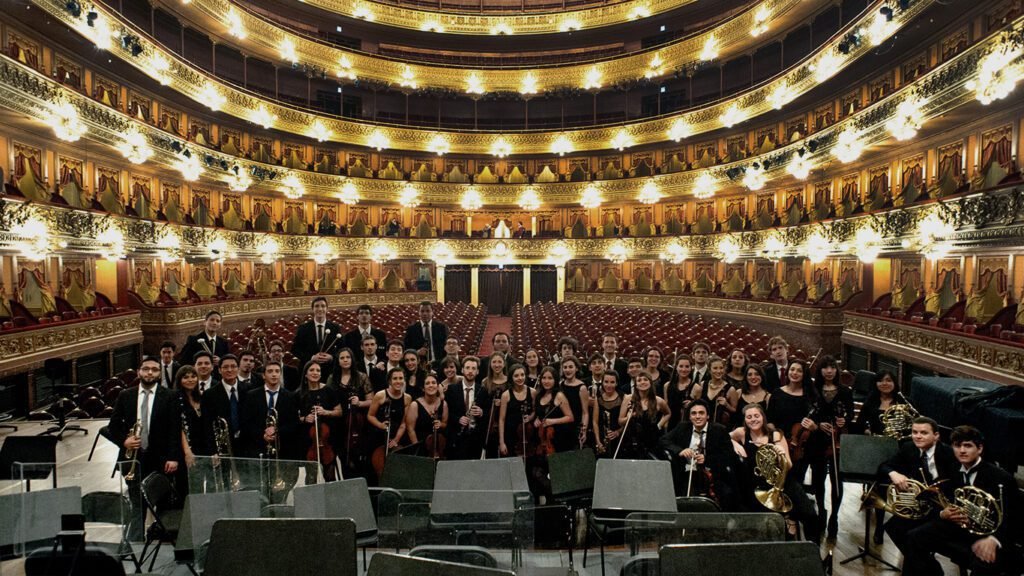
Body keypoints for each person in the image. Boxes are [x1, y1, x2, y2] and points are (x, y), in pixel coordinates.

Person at [903, 426, 1019, 575]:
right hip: (957, 527)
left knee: (984, 563)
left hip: (988, 535)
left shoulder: (1001, 478)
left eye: (968, 446)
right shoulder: (952, 469)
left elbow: (1014, 517)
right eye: (957, 446)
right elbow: (941, 499)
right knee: (914, 537)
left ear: (980, 448)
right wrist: (943, 514)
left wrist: (994, 539)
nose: (962, 450)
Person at [731, 403, 820, 542]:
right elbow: (725, 436)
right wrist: (735, 444)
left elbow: (789, 465)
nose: (753, 419)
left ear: (763, 418)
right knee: (770, 521)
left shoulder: (775, 434)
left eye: (756, 416)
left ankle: (813, 553)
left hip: (784, 481)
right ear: (745, 420)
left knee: (810, 515)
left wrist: (781, 454)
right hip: (760, 485)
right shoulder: (741, 432)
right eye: (749, 417)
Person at [879, 417, 958, 553]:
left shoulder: (949, 453)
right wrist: (894, 474)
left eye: (923, 433)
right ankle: (921, 565)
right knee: (893, 527)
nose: (918, 436)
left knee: (913, 537)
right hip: (920, 505)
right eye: (914, 432)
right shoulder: (909, 447)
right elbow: (884, 466)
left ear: (936, 436)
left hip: (942, 508)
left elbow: (955, 484)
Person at [108, 356, 181, 504]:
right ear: (138, 372)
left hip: (160, 458)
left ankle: (157, 527)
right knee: (136, 505)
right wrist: (124, 440)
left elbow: (174, 429)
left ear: (159, 374)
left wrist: (173, 457)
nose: (149, 373)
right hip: (134, 458)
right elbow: (113, 426)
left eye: (154, 370)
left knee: (162, 503)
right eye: (146, 369)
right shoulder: (125, 395)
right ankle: (137, 528)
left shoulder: (170, 396)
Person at [241, 361, 300, 502]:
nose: (274, 374)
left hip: (282, 452)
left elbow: (294, 424)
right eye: (270, 371)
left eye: (277, 371)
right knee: (260, 492)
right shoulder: (251, 396)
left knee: (280, 493)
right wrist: (263, 434)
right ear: (263, 375)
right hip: (258, 450)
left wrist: (277, 431)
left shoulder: (290, 396)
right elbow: (246, 423)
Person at [661, 399, 736, 506]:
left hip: (712, 474)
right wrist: (680, 450)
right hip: (686, 472)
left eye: (701, 413)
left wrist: (706, 459)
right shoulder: (682, 427)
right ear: (690, 417)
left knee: (726, 495)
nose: (697, 416)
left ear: (708, 416)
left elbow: (728, 454)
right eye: (694, 413)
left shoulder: (719, 430)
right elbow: (664, 440)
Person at [810, 355, 852, 538]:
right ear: (820, 370)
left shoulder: (845, 391)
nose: (829, 371)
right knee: (818, 479)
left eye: (832, 367)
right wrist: (818, 424)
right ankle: (821, 511)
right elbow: (810, 412)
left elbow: (850, 413)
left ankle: (834, 516)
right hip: (817, 439)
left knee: (837, 480)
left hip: (837, 441)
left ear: (837, 370)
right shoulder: (814, 389)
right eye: (825, 367)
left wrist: (844, 420)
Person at [766, 359, 819, 483]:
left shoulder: (811, 396)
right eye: (792, 369)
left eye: (799, 371)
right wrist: (776, 436)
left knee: (796, 482)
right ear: (787, 372)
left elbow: (817, 423)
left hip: (800, 447)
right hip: (778, 442)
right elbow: (769, 419)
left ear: (804, 374)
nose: (795, 373)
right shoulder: (777, 393)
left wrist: (814, 426)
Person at [201, 354, 248, 474]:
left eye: (233, 366)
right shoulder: (209, 395)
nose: (230, 370)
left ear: (238, 369)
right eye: (226, 367)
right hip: (223, 448)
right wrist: (213, 451)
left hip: (246, 446)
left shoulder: (249, 390)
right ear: (219, 370)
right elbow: (207, 425)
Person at [297, 360, 342, 482]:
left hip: (328, 438)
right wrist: (305, 418)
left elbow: (339, 411)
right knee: (310, 476)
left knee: (330, 475)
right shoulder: (299, 394)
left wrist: (325, 412)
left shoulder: (328, 390)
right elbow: (294, 417)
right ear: (305, 374)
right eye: (311, 370)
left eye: (318, 370)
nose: (315, 373)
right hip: (308, 440)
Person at [367, 368, 411, 477]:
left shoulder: (407, 398)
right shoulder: (380, 395)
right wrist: (380, 425)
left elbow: (404, 423)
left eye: (401, 378)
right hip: (379, 435)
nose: (398, 381)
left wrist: (396, 439)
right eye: (395, 378)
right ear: (389, 381)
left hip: (396, 436)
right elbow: (370, 416)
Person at [444, 356, 489, 459]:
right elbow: (446, 414)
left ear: (477, 371)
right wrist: (458, 419)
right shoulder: (451, 390)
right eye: (468, 368)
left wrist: (481, 412)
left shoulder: (483, 391)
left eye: (473, 368)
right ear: (462, 370)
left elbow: (488, 414)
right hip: (456, 438)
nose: (470, 371)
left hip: (475, 438)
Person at [617, 372, 670, 459]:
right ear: (636, 385)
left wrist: (660, 425)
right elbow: (620, 421)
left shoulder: (658, 401)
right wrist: (630, 416)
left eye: (645, 379)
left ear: (650, 383)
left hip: (652, 441)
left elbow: (668, 413)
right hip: (632, 441)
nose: (642, 382)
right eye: (639, 380)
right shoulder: (628, 399)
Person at [292, 296, 343, 384]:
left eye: (323, 306)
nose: (320, 309)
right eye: (317, 306)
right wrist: (311, 357)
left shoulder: (335, 328)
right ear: (312, 309)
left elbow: (342, 349)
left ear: (327, 309)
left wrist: (331, 357)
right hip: (309, 371)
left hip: (329, 371)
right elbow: (295, 349)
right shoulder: (303, 328)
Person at [174, 365, 204, 494]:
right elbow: (178, 427)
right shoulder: (176, 399)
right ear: (179, 380)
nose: (190, 380)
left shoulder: (201, 397)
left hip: (201, 447)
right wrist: (187, 452)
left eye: (193, 376)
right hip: (185, 449)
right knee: (187, 487)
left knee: (200, 485)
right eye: (185, 377)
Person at [406, 373, 448, 458]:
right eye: (427, 383)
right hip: (420, 445)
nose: (431, 385)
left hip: (438, 446)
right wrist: (417, 448)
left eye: (433, 383)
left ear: (437, 386)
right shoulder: (415, 405)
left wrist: (441, 424)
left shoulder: (443, 404)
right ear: (423, 388)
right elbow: (410, 429)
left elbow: (445, 423)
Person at [499, 365, 536, 457]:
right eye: (516, 376)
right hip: (511, 436)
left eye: (522, 375)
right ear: (511, 377)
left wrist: (530, 417)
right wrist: (502, 442)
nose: (520, 378)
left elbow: (536, 411)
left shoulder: (532, 392)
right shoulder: (506, 395)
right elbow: (502, 420)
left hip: (528, 435)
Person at [855, 370, 906, 437]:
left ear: (894, 383)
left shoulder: (904, 401)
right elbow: (860, 423)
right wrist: (866, 430)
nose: (884, 383)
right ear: (875, 384)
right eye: (880, 381)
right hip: (875, 440)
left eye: (889, 380)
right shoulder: (870, 401)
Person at [691, 356, 739, 428]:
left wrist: (726, 405)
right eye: (715, 368)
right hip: (702, 426)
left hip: (721, 428)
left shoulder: (730, 389)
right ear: (710, 370)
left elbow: (735, 411)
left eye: (721, 368)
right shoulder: (703, 384)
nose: (719, 371)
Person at [403, 301, 448, 367]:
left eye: (428, 311)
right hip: (418, 365)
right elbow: (406, 349)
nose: (425, 314)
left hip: (439, 364)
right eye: (422, 311)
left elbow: (445, 348)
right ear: (418, 312)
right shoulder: (411, 329)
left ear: (432, 312)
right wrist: (417, 352)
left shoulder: (441, 328)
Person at [559, 356, 590, 450]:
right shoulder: (560, 385)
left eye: (570, 367)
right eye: (565, 367)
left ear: (576, 368)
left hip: (575, 428)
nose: (567, 370)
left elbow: (585, 413)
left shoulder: (582, 387)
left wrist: (583, 431)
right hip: (562, 427)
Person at [592, 371, 623, 457]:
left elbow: (627, 421)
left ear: (616, 383)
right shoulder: (598, 399)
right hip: (603, 439)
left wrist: (618, 432)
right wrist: (598, 441)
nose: (609, 385)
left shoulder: (623, 397)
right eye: (606, 382)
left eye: (612, 382)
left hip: (619, 440)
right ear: (602, 382)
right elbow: (595, 422)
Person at [663, 354, 696, 430]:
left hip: (688, 424)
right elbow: (666, 407)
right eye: (681, 366)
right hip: (671, 423)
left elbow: (699, 408)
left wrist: (692, 404)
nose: (684, 369)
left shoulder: (696, 388)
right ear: (676, 367)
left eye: (687, 366)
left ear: (691, 368)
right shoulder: (667, 386)